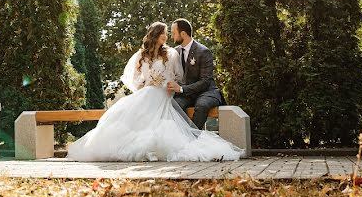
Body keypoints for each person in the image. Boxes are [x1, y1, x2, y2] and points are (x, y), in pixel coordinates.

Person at [67, 21, 242, 162]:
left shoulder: (171, 54)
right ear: (156, 35)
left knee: (169, 114)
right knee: (126, 115)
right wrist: (144, 84)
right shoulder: (141, 55)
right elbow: (135, 79)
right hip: (147, 93)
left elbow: (179, 77)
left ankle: (188, 141)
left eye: (169, 32)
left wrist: (172, 85)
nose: (167, 36)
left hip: (165, 94)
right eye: (164, 33)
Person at [167, 18, 224, 130]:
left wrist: (182, 89)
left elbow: (205, 81)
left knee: (201, 106)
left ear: (183, 34)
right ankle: (182, 134)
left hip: (206, 91)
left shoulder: (203, 52)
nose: (172, 36)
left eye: (174, 33)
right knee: (173, 105)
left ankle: (193, 140)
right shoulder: (175, 52)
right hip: (188, 94)